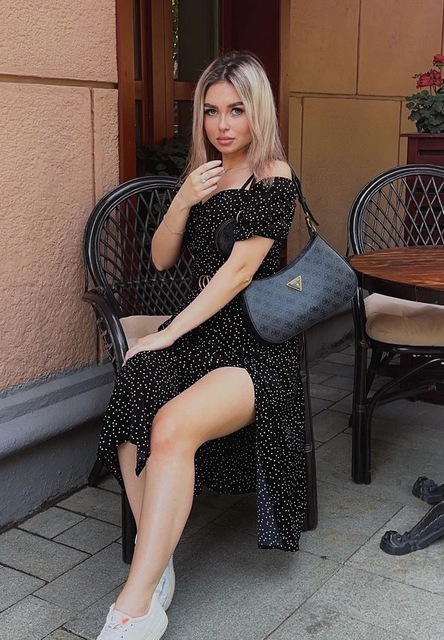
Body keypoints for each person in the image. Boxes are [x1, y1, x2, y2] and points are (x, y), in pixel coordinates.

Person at [96, 51, 306, 640]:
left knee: (171, 425)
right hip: (200, 335)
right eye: (211, 111)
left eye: (236, 110)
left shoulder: (275, 178)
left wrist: (167, 332)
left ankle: (134, 605)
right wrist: (184, 199)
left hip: (255, 348)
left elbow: (238, 274)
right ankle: (156, 565)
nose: (223, 125)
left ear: (258, 110)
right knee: (135, 389)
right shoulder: (204, 177)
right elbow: (162, 258)